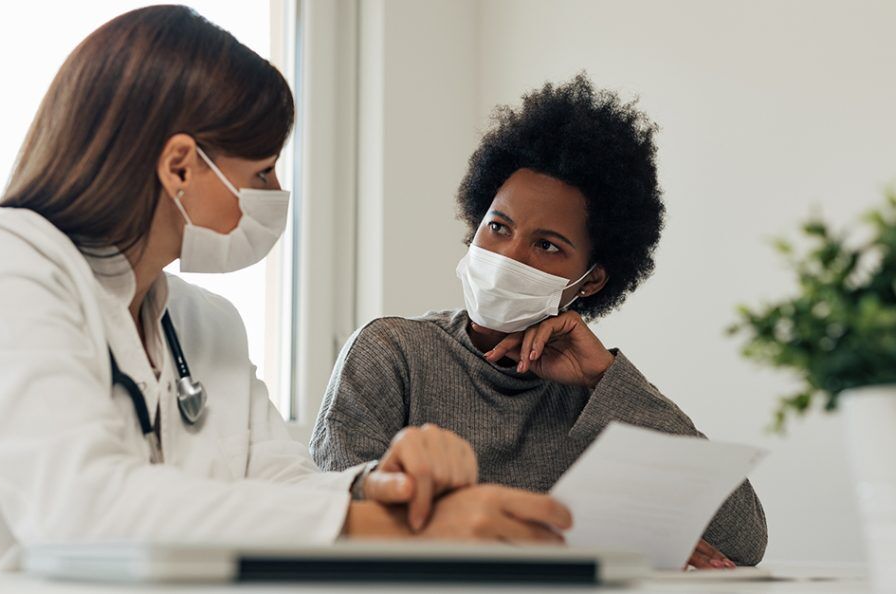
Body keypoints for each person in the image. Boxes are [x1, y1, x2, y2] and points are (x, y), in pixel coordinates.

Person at [0, 6, 571, 573]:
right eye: (263, 171)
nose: (274, 195)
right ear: (181, 165)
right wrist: (401, 533)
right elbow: (80, 508)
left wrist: (381, 487)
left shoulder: (205, 324)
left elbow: (283, 484)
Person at [311, 75, 768, 568]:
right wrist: (554, 546)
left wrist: (606, 381)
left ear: (590, 281)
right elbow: (331, 521)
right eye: (498, 227)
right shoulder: (392, 352)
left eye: (547, 245)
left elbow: (743, 542)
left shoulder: (597, 394)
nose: (509, 254)